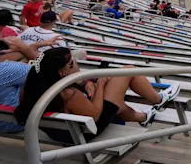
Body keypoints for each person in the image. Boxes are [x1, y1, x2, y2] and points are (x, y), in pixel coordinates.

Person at [15, 48, 182, 140]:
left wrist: (88, 83)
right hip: (86, 131)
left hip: (64, 131)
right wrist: (100, 84)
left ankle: (143, 118)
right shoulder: (69, 94)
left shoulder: (34, 85)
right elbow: (94, 115)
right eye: (72, 62)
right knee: (127, 71)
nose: (76, 62)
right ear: (61, 72)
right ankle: (159, 99)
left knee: (113, 89)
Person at [0, 24, 38, 132]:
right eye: (0, 40)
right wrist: (25, 49)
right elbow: (49, 71)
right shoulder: (5, 70)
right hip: (10, 123)